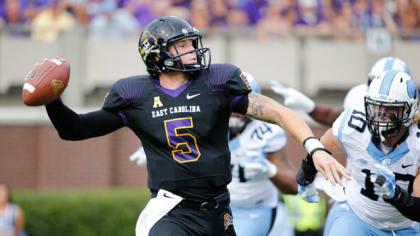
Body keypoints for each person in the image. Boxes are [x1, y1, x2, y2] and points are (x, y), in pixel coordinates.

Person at [43, 16, 349, 236]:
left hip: (219, 210)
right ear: (158, 54)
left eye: (191, 42)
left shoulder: (217, 81)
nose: (193, 49)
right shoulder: (134, 94)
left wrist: (315, 148)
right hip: (172, 211)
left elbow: (280, 113)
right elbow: (75, 129)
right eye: (183, 45)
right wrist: (52, 100)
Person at [129, 73, 297, 236]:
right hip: (210, 208)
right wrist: (157, 154)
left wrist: (270, 170)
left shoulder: (265, 134)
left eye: (241, 105)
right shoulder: (200, 123)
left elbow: (294, 186)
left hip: (251, 210)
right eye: (231, 103)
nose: (235, 111)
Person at [297, 70, 420, 235]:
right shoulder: (354, 125)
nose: (380, 117)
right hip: (356, 214)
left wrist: (396, 196)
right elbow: (320, 149)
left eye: (390, 110)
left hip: (402, 226)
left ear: (408, 111)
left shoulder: (416, 143)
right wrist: (305, 178)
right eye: (376, 108)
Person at [270, 56, 412, 126]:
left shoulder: (414, 122)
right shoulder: (358, 97)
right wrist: (308, 105)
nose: (384, 93)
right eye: (378, 82)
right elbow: (336, 119)